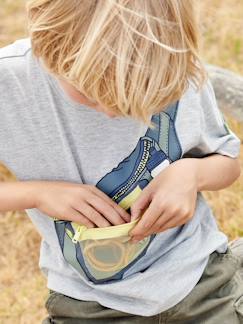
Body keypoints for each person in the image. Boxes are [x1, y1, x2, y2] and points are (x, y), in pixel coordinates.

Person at [0, 0, 242, 323]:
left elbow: (229, 160)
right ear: (49, 45)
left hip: (201, 285)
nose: (113, 111)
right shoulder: (10, 84)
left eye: (138, 97)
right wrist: (37, 194)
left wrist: (192, 173)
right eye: (89, 93)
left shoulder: (168, 62)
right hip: (87, 305)